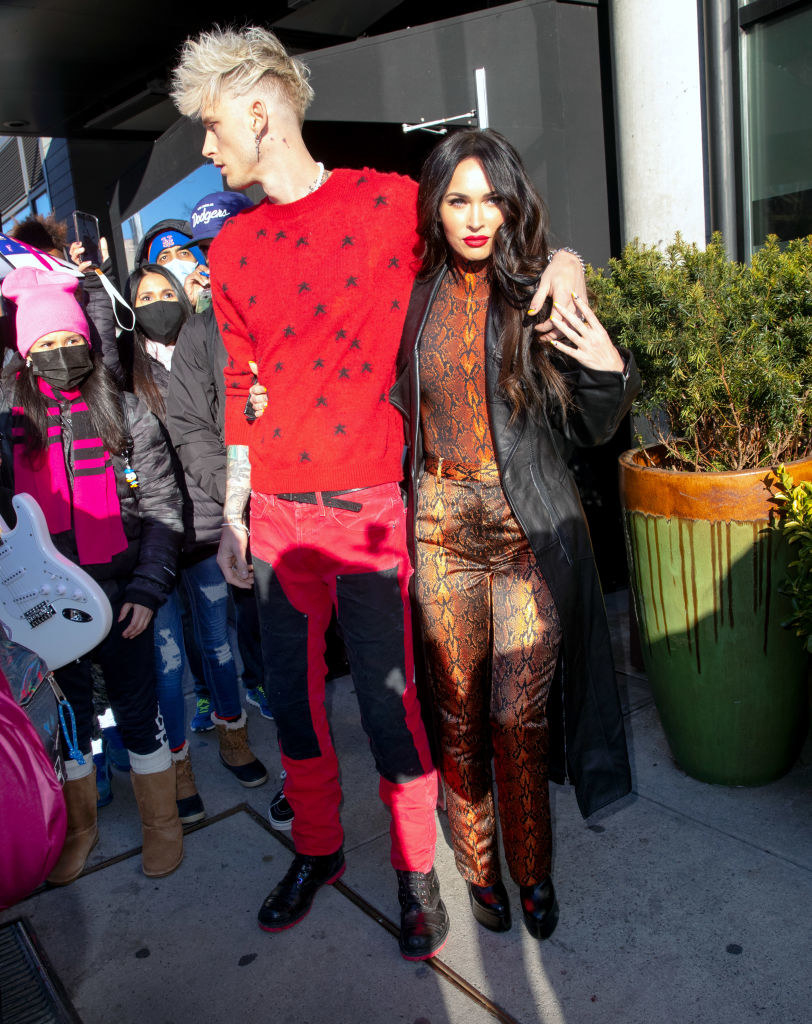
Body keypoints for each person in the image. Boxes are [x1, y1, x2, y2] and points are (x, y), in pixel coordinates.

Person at [169, 24, 584, 960]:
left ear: (259, 112)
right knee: (294, 697)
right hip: (273, 516)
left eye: (210, 125)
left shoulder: (391, 203)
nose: (205, 146)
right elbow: (240, 383)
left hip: (372, 516)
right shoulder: (229, 249)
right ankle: (317, 849)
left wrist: (565, 263)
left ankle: (410, 870)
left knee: (390, 706)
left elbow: (497, 232)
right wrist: (234, 512)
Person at [388, 129, 640, 938]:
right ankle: (478, 868)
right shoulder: (413, 292)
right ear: (436, 204)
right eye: (458, 199)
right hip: (438, 528)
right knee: (455, 712)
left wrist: (608, 367)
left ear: (509, 202)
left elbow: (599, 427)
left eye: (489, 198)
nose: (474, 216)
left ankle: (533, 873)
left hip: (521, 531)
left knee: (515, 719)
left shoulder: (534, 292)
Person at [0, 266, 184, 881]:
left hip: (122, 598)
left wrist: (147, 590)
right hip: (44, 609)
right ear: (25, 354)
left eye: (67, 341)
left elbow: (162, 506)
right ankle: (80, 829)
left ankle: (162, 824)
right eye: (43, 347)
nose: (59, 356)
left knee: (138, 710)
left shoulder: (126, 411)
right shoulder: (8, 427)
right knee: (72, 720)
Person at [128, 263, 269, 824]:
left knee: (217, 644)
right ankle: (179, 763)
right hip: (155, 545)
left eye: (167, 291)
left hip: (208, 530)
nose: (159, 302)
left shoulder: (205, 345)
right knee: (167, 663)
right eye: (145, 297)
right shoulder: (123, 365)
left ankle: (234, 736)